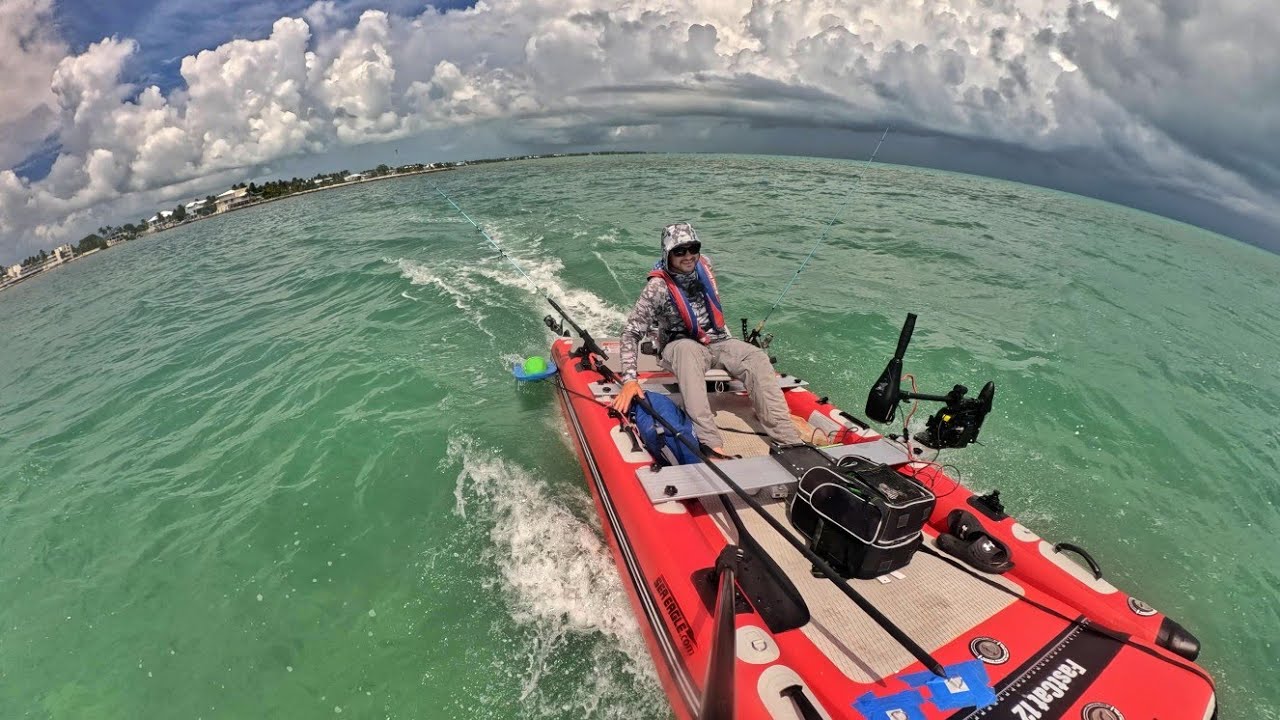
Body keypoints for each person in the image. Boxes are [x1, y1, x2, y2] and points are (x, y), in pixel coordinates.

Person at [610, 222, 802, 455]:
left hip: (717, 341)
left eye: (693, 248)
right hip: (679, 345)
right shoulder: (657, 287)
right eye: (679, 251)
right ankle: (710, 443)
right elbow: (631, 332)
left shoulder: (706, 267)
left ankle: (789, 440)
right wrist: (629, 380)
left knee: (757, 357)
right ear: (667, 253)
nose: (688, 256)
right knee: (687, 352)